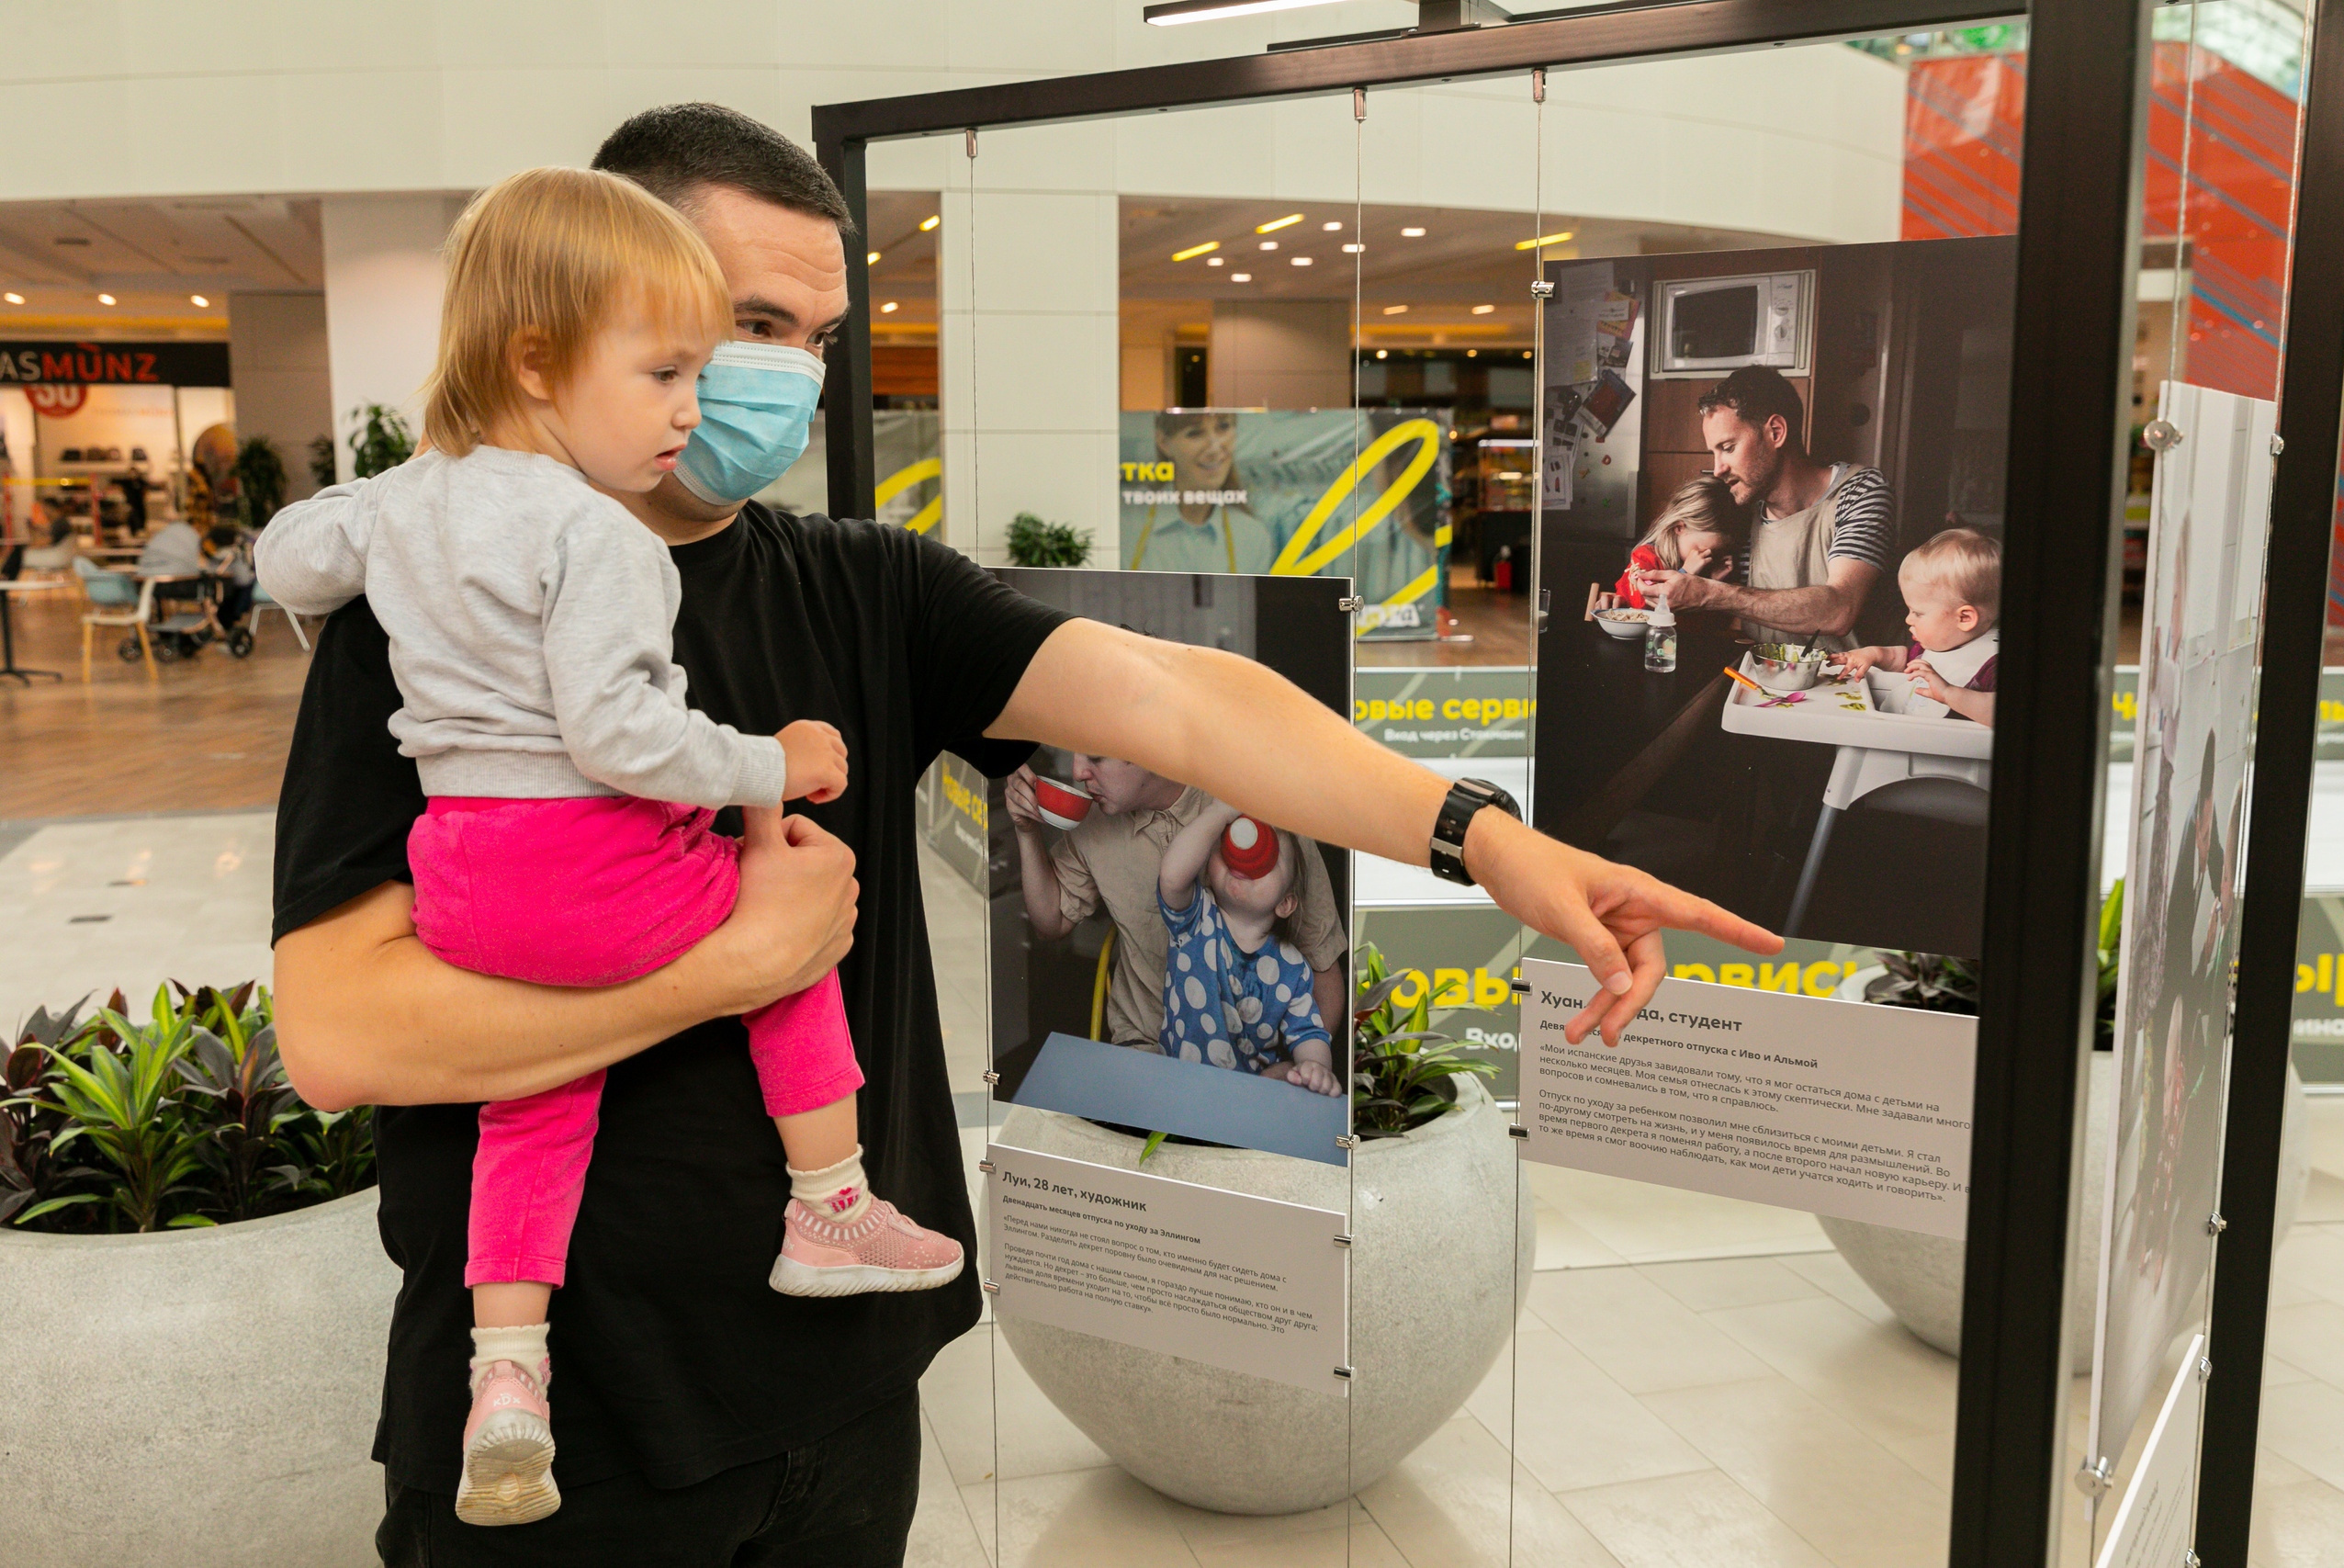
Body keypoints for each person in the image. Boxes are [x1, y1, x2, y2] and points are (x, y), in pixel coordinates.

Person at [268, 103, 1776, 1568]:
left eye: (818, 339)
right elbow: (342, 1028)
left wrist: (1481, 833)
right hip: (564, 1431)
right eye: (750, 325)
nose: (787, 376)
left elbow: (1182, 699)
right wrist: (732, 963)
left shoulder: (861, 587)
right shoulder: (428, 608)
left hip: (847, 1396)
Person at [259, 165, 962, 1529]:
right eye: (665, 375)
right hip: (590, 857)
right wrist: (773, 763)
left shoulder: (409, 505)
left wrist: (395, 513)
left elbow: (289, 559)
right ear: (536, 359)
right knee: (790, 916)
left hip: (471, 878)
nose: (694, 413)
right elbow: (624, 735)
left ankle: (506, 1360)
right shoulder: (601, 537)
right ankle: (830, 1196)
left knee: (536, 1088)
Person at [1005, 753, 1347, 1047]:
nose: (1078, 771)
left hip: (1252, 1060)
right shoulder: (1093, 819)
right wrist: (1025, 831)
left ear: (1150, 749)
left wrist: (1293, 1070)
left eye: (1095, 757)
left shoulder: (1255, 809)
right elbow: (1051, 921)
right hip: (1145, 1047)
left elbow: (1323, 969)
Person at [1632, 366, 1893, 648]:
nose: (1718, 469)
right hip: (1760, 682)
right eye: (1714, 452)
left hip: (1849, 688)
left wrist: (1711, 593)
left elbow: (1840, 609)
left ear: (1776, 432)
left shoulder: (1859, 491)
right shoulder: (1741, 510)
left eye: (1728, 448)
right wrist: (1624, 602)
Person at [1154, 803, 1341, 1095]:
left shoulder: (1293, 968)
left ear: (1285, 903)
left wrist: (1314, 1067)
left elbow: (1309, 1033)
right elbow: (1172, 877)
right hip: (1178, 1086)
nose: (1248, 855)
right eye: (1231, 840)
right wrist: (1221, 814)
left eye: (1271, 859)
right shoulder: (1193, 919)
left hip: (1250, 1099)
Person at [1830, 526, 1999, 727]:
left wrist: (1948, 693)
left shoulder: (1992, 665)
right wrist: (1873, 654)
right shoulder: (1941, 644)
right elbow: (1906, 660)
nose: (1908, 620)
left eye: (1918, 613)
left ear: (1964, 618)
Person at [1124, 411, 1276, 573]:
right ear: (1163, 443)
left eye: (1223, 427)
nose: (1214, 448)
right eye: (1195, 433)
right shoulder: (1125, 526)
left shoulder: (1253, 536)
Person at [1605, 474, 1746, 609]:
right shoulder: (1646, 558)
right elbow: (1640, 608)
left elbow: (1710, 627)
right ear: (1679, 528)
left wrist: (1713, 585)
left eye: (1717, 553)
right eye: (1703, 551)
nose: (1709, 559)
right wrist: (1685, 574)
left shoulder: (1710, 569)